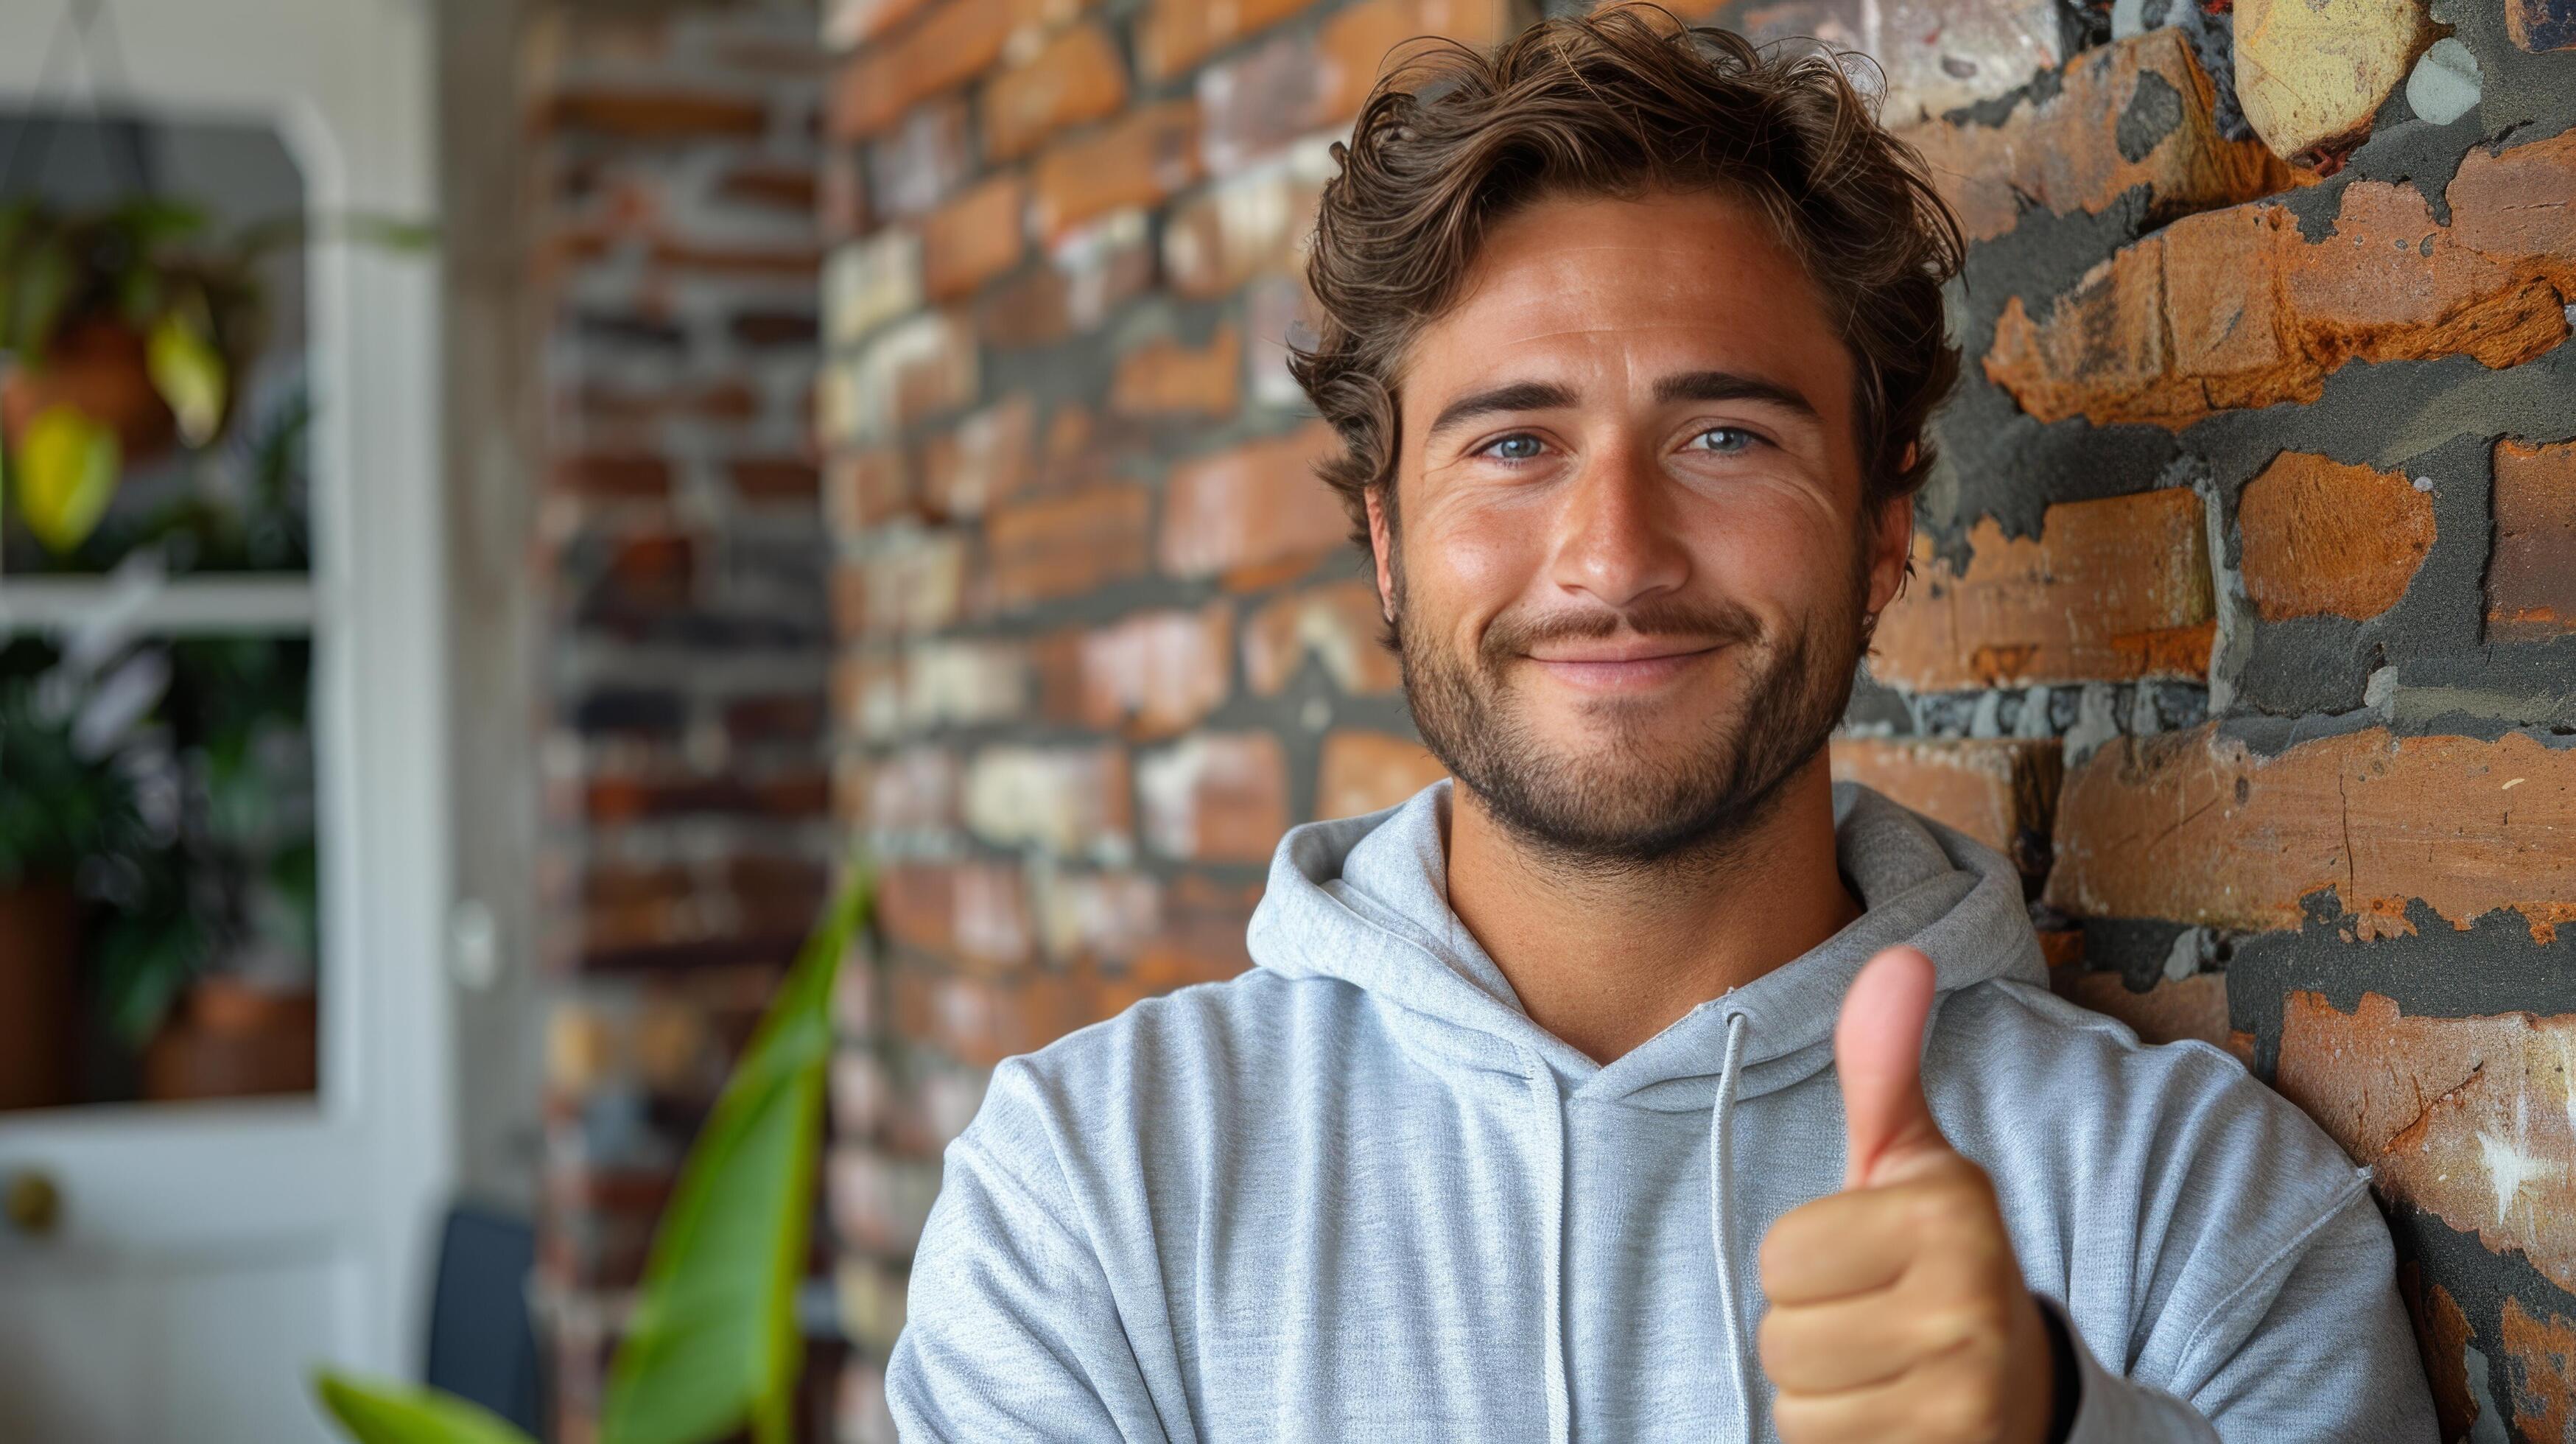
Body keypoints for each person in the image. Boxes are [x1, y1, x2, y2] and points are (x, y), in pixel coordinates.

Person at [884, 8, 2439, 1440]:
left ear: (1886, 526)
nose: (1615, 554)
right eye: (1512, 442)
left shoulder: (2201, 1207)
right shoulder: (1092, 1188)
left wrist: (2058, 1424)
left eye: (1722, 433)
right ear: (1384, 540)